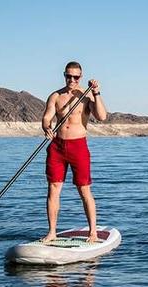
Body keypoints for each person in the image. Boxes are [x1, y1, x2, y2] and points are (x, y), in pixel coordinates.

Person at [41, 61, 107, 242]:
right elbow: (47, 117)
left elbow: (101, 117)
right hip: (57, 147)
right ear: (64, 75)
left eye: (75, 77)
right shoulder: (55, 96)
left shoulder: (86, 97)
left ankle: (92, 231)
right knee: (53, 189)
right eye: (68, 76)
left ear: (81, 77)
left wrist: (96, 92)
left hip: (78, 146)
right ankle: (52, 232)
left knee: (84, 190)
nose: (72, 80)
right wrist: (46, 128)